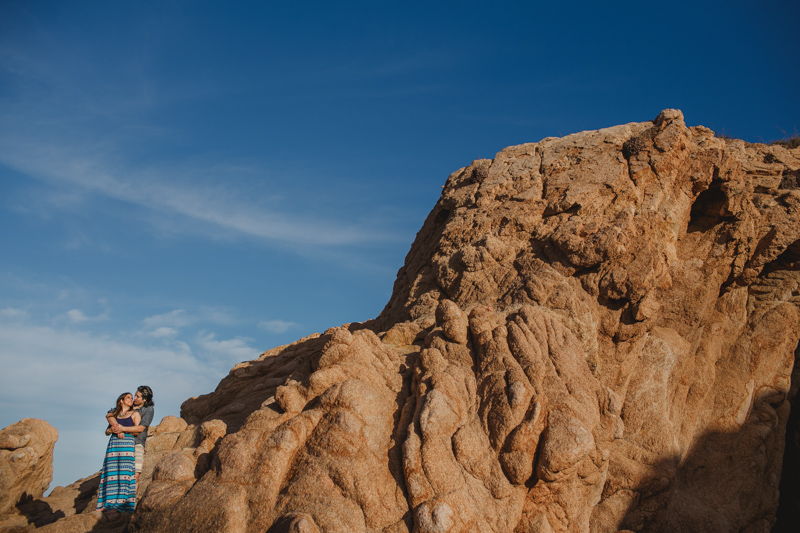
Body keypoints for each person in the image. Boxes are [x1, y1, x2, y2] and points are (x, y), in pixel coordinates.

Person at [96, 392, 140, 514]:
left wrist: (123, 430)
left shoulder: (135, 414)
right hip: (114, 445)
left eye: (132, 398)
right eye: (128, 398)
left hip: (127, 445)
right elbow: (106, 431)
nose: (131, 400)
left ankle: (119, 505)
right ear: (121, 400)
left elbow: (137, 432)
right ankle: (107, 503)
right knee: (111, 474)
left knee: (124, 475)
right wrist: (113, 429)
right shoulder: (114, 415)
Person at [108, 385, 154, 487]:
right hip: (122, 444)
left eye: (137, 396)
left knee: (135, 475)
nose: (134, 398)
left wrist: (122, 429)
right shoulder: (130, 405)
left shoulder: (148, 409)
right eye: (135, 395)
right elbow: (110, 414)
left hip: (137, 443)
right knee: (120, 475)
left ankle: (131, 502)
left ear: (144, 399)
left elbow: (141, 428)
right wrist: (115, 427)